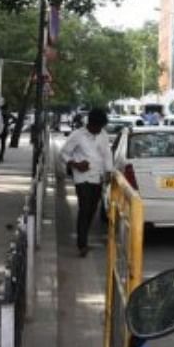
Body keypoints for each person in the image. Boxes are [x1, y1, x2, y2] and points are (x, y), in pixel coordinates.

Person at [60, 109, 114, 257]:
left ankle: (83, 237)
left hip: (97, 176)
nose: (99, 130)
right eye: (97, 127)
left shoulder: (103, 135)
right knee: (84, 208)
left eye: (101, 127)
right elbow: (63, 153)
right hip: (82, 177)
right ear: (90, 124)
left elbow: (107, 155)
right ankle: (82, 244)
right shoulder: (77, 135)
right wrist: (75, 164)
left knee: (92, 209)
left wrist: (108, 172)